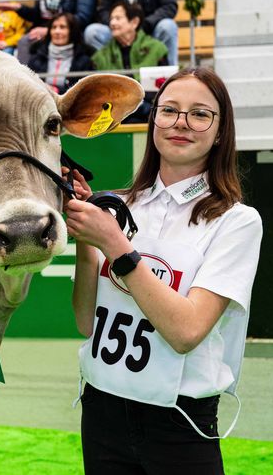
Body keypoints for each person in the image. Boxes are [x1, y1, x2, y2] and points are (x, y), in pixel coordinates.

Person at [65, 67, 262, 474]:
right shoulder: (119, 205)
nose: (181, 123)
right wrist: (89, 241)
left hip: (179, 422)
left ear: (221, 131)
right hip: (101, 410)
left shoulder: (237, 221)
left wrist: (116, 245)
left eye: (200, 114)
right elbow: (86, 322)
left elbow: (186, 332)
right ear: (153, 121)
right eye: (169, 110)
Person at [0, 0, 97, 65]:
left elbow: (83, 17)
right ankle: (27, 79)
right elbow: (37, 14)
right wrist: (19, 8)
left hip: (71, 29)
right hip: (44, 27)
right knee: (24, 41)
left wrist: (50, 30)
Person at [84, 0, 179, 65]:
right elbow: (103, 10)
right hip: (119, 32)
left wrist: (143, 25)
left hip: (150, 29)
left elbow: (169, 6)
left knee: (168, 26)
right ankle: (110, 74)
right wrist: (117, 24)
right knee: (92, 32)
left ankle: (170, 76)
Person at [92, 1, 167, 122]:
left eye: (118, 18)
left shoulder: (156, 49)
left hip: (149, 113)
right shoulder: (101, 56)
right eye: (111, 19)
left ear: (134, 22)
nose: (112, 23)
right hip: (115, 117)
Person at [27, 12, 93, 94]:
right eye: (53, 27)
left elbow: (85, 92)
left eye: (62, 27)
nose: (57, 31)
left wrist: (56, 91)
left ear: (72, 31)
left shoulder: (84, 61)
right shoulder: (36, 57)